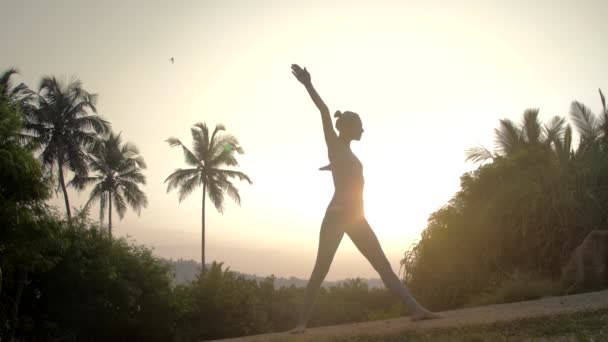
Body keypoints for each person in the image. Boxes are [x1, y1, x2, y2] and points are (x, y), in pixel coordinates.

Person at [290, 64, 440, 334]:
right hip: (336, 217)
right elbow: (324, 112)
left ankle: (416, 310)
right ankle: (301, 324)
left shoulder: (348, 154)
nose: (363, 129)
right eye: (360, 126)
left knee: (383, 266)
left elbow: (346, 177)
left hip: (357, 218)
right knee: (320, 270)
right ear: (348, 128)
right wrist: (308, 84)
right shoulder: (335, 146)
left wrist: (333, 169)